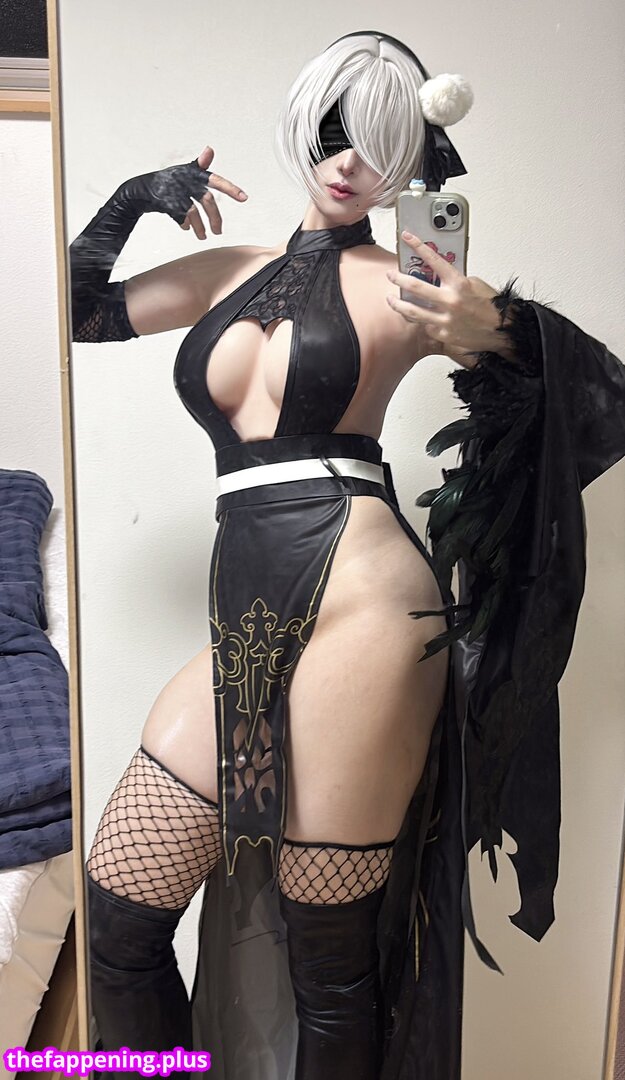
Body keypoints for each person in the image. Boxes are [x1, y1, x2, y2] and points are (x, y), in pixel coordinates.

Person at [70, 30, 625, 1080]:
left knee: (328, 957)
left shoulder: (410, 282)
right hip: (247, 619)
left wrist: (500, 330)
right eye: (331, 132)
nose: (346, 161)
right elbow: (76, 307)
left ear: (406, 157)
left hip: (365, 607)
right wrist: (134, 198)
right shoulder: (229, 272)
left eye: (378, 142)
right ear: (299, 128)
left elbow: (605, 400)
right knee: (119, 917)